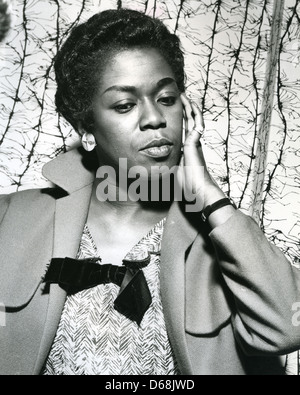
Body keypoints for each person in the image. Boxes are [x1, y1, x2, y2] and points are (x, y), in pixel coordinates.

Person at [0, 8, 299, 376]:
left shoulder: (228, 241)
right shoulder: (9, 220)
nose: (154, 118)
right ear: (86, 127)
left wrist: (210, 198)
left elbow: (289, 328)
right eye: (125, 105)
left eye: (166, 98)